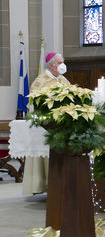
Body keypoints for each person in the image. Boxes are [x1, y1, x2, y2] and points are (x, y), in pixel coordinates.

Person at [24, 52, 70, 195]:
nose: (62, 65)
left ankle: (59, 183)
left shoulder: (64, 80)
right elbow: (35, 103)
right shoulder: (40, 81)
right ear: (51, 65)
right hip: (45, 126)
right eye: (59, 62)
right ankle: (42, 183)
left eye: (63, 62)